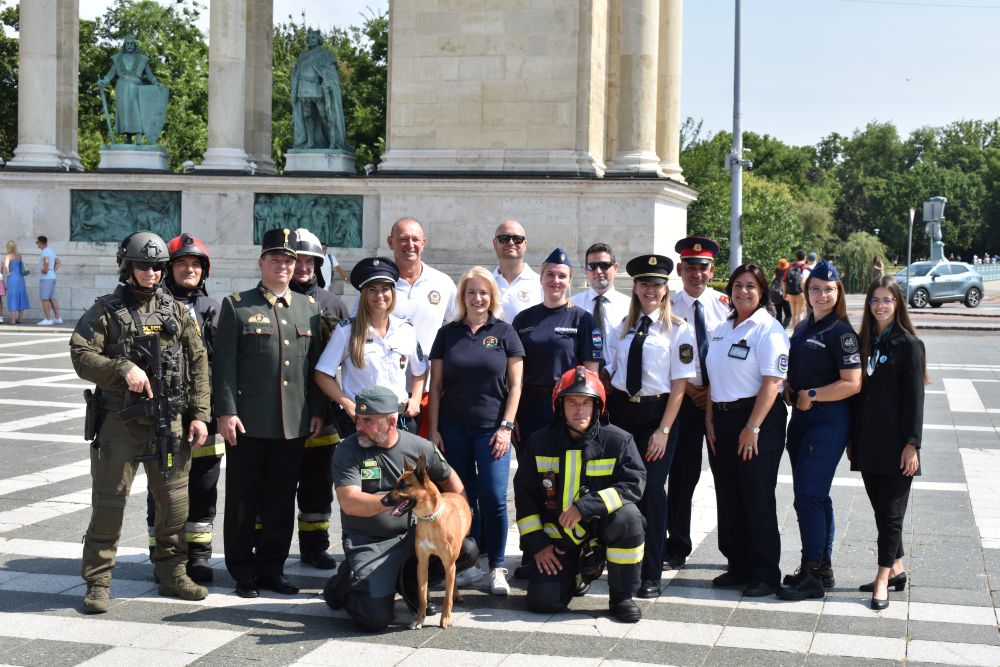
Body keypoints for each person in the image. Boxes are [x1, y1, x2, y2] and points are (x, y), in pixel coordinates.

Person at [70, 231, 211, 614]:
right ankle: (98, 582)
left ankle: (172, 572)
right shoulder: (106, 310)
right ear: (127, 267)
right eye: (143, 266)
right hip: (120, 422)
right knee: (109, 503)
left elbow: (198, 363)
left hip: (170, 423)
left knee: (174, 504)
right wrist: (121, 367)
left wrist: (199, 415)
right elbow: (80, 353)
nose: (151, 273)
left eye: (157, 266)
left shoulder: (176, 311)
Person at [213, 228, 325, 599]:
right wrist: (226, 412)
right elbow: (224, 365)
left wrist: (317, 411)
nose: (283, 266)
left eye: (289, 260)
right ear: (261, 262)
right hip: (249, 421)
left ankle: (273, 568)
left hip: (293, 422)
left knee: (280, 500)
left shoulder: (308, 309)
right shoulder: (237, 305)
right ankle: (243, 571)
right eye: (276, 259)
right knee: (243, 501)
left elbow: (315, 369)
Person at [322, 385, 477, 632]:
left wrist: (461, 522)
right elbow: (349, 502)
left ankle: (408, 584)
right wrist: (392, 500)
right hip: (370, 542)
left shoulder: (419, 447)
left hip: (415, 536)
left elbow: (452, 481)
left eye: (368, 420)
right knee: (375, 620)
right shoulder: (348, 450)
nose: (359, 426)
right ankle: (344, 582)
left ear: (391, 421)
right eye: (358, 419)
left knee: (466, 549)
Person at [514, 366, 647, 623]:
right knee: (543, 602)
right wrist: (538, 546)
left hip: (603, 531)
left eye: (586, 403)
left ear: (597, 407)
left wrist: (585, 507)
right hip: (559, 538)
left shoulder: (619, 442)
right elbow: (524, 497)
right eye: (572, 402)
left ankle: (622, 596)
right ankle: (576, 575)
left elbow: (633, 484)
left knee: (629, 518)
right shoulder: (539, 442)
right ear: (559, 406)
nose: (579, 410)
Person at [426, 266, 524, 595]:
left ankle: (497, 566)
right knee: (463, 499)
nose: (477, 298)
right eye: (471, 292)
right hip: (453, 429)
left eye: (483, 292)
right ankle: (472, 564)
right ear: (462, 296)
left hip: (493, 431)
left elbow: (515, 385)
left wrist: (506, 427)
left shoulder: (506, 333)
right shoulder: (448, 334)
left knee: (495, 498)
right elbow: (436, 385)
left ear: (492, 296)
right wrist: (435, 430)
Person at [603, 254, 695, 599]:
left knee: (653, 492)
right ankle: (620, 562)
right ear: (635, 287)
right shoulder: (621, 327)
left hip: (659, 417)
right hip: (623, 414)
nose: (650, 290)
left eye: (656, 284)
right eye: (644, 283)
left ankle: (650, 572)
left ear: (665, 289)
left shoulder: (678, 329)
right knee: (620, 490)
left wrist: (664, 430)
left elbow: (681, 385)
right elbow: (610, 375)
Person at [511, 248, 602, 579]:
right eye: (550, 274)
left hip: (567, 408)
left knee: (568, 480)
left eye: (562, 276)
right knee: (531, 481)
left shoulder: (582, 319)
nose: (555, 281)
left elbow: (590, 374)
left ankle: (571, 547)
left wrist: (586, 416)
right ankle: (531, 549)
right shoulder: (523, 320)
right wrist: (514, 416)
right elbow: (514, 374)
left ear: (570, 281)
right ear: (541, 277)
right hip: (531, 409)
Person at [704, 263, 789, 598]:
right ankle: (738, 565)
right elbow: (714, 377)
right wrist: (710, 418)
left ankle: (766, 572)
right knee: (729, 495)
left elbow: (773, 383)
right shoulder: (723, 327)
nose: (743, 292)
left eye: (750, 286)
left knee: (756, 496)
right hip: (722, 420)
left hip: (757, 420)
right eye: (738, 285)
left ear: (762, 291)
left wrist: (752, 427)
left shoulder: (768, 329)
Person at [778, 260, 861, 601]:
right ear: (807, 291)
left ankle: (811, 573)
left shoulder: (841, 332)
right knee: (816, 496)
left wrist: (812, 395)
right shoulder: (803, 325)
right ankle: (821, 566)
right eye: (815, 288)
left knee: (808, 496)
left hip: (828, 422)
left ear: (838, 292)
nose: (821, 294)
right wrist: (789, 386)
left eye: (828, 289)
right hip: (801, 421)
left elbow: (852, 383)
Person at [144, 233, 221, 584]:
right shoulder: (149, 307)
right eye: (181, 264)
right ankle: (163, 554)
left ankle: (200, 555)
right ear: (167, 269)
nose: (188, 270)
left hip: (205, 413)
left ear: (204, 271)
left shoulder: (215, 310)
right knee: (164, 487)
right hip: (165, 413)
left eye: (195, 264)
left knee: (204, 485)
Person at [851, 276, 927, 610]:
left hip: (897, 445)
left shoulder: (909, 344)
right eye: (875, 300)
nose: (880, 306)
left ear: (897, 304)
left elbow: (915, 399)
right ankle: (896, 570)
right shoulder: (864, 341)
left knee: (892, 514)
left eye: (887, 300)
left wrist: (912, 443)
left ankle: (882, 579)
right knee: (882, 511)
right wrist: (852, 439)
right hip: (869, 442)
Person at [665, 236, 731, 570]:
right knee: (682, 477)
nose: (696, 273)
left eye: (702, 267)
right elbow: (662, 356)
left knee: (728, 475)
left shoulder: (725, 305)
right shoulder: (667, 306)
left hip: (719, 403)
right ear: (679, 269)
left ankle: (734, 549)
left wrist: (713, 390)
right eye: (689, 267)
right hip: (685, 403)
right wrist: (692, 392)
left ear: (712, 270)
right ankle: (676, 544)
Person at [314, 257, 427, 437]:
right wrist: (349, 406)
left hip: (399, 421)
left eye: (385, 289)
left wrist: (415, 398)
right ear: (363, 295)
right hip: (362, 423)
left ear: (393, 292)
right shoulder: (347, 331)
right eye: (372, 290)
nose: (379, 295)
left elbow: (419, 370)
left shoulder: (405, 329)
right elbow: (322, 374)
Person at [291, 228, 350, 570]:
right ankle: (265, 547)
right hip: (282, 411)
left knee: (317, 486)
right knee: (275, 484)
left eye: (308, 260)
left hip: (325, 412)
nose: (302, 266)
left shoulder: (333, 304)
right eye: (296, 259)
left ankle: (314, 547)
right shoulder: (275, 299)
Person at [386, 217, 458, 431]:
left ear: (424, 243)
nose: (410, 245)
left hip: (431, 389)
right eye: (403, 239)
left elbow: (459, 326)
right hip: (388, 390)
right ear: (390, 242)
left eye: (415, 239)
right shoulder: (379, 283)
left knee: (425, 458)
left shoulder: (442, 283)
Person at [291, 29, 348, 150]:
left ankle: (331, 140)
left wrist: (328, 82)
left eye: (312, 38)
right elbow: (296, 73)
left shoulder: (325, 54)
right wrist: (294, 91)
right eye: (309, 38)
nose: (310, 40)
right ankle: (310, 141)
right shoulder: (302, 56)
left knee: (324, 115)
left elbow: (331, 72)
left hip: (316, 87)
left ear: (318, 40)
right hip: (303, 87)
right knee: (307, 115)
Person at [98, 35, 161, 144]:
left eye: (132, 43)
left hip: (136, 87)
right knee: (124, 113)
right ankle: (128, 138)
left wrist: (156, 83)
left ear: (135, 45)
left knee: (137, 112)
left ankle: (139, 138)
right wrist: (104, 81)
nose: (129, 45)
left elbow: (150, 75)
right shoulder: (117, 58)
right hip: (122, 87)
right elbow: (111, 73)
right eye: (127, 43)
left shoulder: (142, 59)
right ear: (124, 45)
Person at [570, 243, 631, 342]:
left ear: (615, 268)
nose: (598, 271)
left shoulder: (630, 306)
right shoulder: (572, 306)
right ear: (586, 270)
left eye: (604, 265)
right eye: (592, 266)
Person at [492, 219, 542, 322]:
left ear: (525, 244)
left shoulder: (541, 284)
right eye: (504, 238)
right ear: (494, 243)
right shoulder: (485, 283)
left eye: (517, 239)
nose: (511, 243)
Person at [35, 235, 61, 325]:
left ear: (41, 242)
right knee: (52, 298)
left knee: (44, 299)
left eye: (37, 242)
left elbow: (46, 261)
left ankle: (48, 319)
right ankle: (57, 318)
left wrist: (46, 270)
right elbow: (58, 261)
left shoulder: (45, 252)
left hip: (46, 278)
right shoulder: (51, 250)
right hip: (52, 276)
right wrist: (53, 270)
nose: (37, 244)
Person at [2, 241, 29, 324]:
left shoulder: (7, 256)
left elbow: (6, 267)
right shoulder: (19, 256)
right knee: (21, 296)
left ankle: (13, 320)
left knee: (12, 297)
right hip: (20, 278)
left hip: (12, 278)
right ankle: (20, 319)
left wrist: (7, 273)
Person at [786, 250, 807, 327]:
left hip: (790, 293)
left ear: (796, 257)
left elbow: (784, 280)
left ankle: (794, 332)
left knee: (793, 313)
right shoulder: (805, 267)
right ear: (805, 257)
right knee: (800, 313)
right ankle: (799, 333)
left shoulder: (790, 267)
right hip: (801, 292)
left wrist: (785, 293)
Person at [770, 259, 791, 329]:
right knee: (788, 314)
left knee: (779, 313)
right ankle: (783, 328)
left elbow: (772, 281)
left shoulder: (776, 271)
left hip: (776, 294)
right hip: (784, 294)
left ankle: (778, 328)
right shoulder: (788, 271)